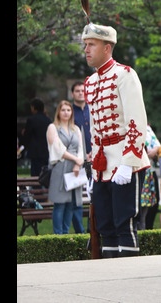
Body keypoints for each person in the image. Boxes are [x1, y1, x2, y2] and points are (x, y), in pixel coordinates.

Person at [82, 23, 151, 257]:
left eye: (91, 44)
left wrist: (128, 162)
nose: (86, 50)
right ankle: (109, 275)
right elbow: (94, 128)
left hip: (124, 160)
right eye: (85, 45)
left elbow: (136, 121)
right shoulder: (90, 82)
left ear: (107, 47)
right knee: (105, 225)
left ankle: (128, 277)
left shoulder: (125, 74)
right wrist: (94, 165)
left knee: (125, 223)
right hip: (102, 164)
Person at [46, 100, 86, 235]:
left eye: (68, 110)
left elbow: (81, 148)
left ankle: (66, 233)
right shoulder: (52, 127)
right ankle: (59, 234)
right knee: (60, 204)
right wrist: (76, 159)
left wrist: (77, 164)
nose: (66, 113)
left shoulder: (76, 128)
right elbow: (58, 149)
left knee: (71, 204)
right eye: (63, 110)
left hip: (75, 169)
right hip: (60, 167)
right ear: (58, 112)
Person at [70, 81, 91, 233]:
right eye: (77, 91)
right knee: (76, 199)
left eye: (83, 90)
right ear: (72, 94)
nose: (80, 93)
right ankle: (80, 232)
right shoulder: (69, 111)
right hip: (76, 161)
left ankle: (93, 230)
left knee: (94, 197)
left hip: (95, 159)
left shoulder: (93, 109)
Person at [24, 98, 52, 176]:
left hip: (35, 152)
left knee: (35, 174)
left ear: (33, 107)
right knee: (45, 174)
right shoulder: (48, 120)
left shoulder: (31, 120)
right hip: (46, 151)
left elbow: (27, 136)